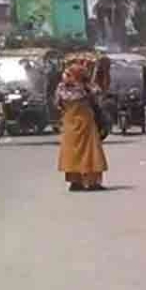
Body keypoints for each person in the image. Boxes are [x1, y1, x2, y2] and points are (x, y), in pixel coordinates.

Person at [56, 58, 109, 192]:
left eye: (68, 74)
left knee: (72, 153)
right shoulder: (86, 88)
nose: (66, 76)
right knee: (90, 153)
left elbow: (58, 104)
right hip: (85, 124)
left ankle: (75, 182)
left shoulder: (61, 88)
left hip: (70, 125)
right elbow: (99, 92)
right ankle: (92, 182)